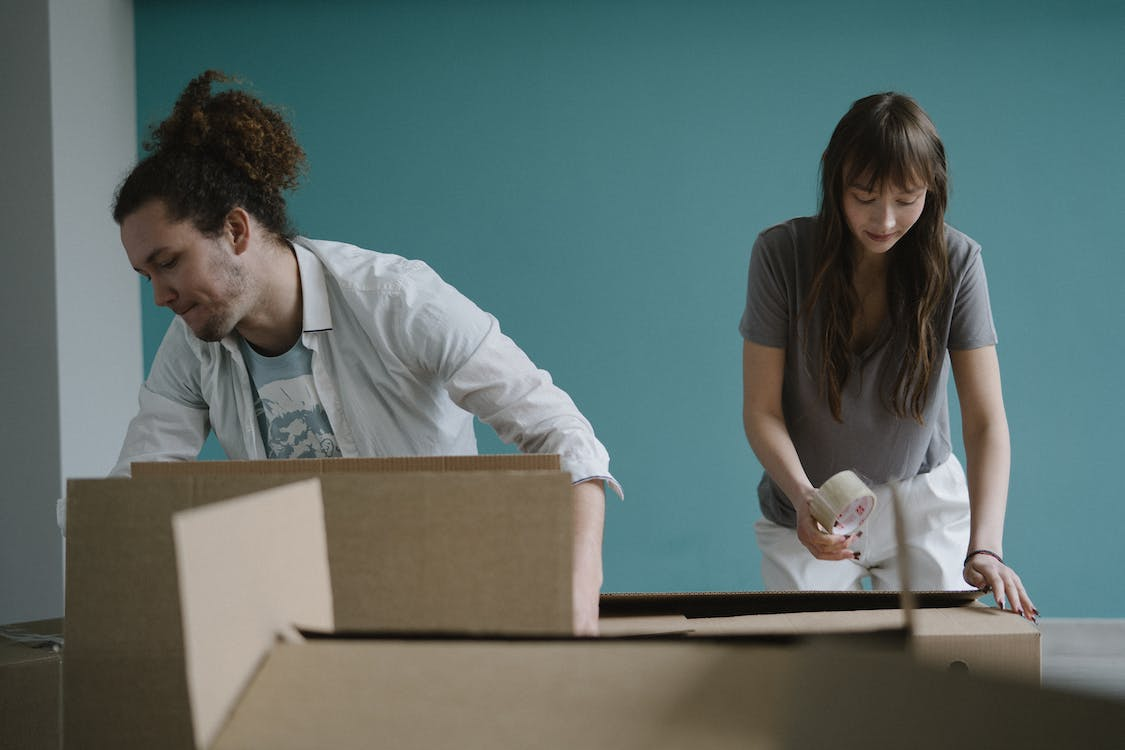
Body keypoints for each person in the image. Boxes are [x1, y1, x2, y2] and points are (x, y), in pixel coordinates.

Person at [109, 70, 619, 634]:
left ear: (235, 230)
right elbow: (134, 493)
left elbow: (563, 437)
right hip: (297, 624)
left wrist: (576, 603)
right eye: (144, 275)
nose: (159, 296)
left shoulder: (397, 299)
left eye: (168, 262)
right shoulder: (191, 344)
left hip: (441, 611)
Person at [740, 92, 1035, 619]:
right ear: (835, 187)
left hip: (921, 497)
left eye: (907, 198)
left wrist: (985, 547)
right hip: (812, 500)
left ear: (932, 189)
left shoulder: (958, 262)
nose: (885, 219)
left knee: (941, 667)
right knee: (803, 669)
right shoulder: (780, 255)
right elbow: (761, 410)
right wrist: (806, 498)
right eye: (864, 196)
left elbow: (987, 421)